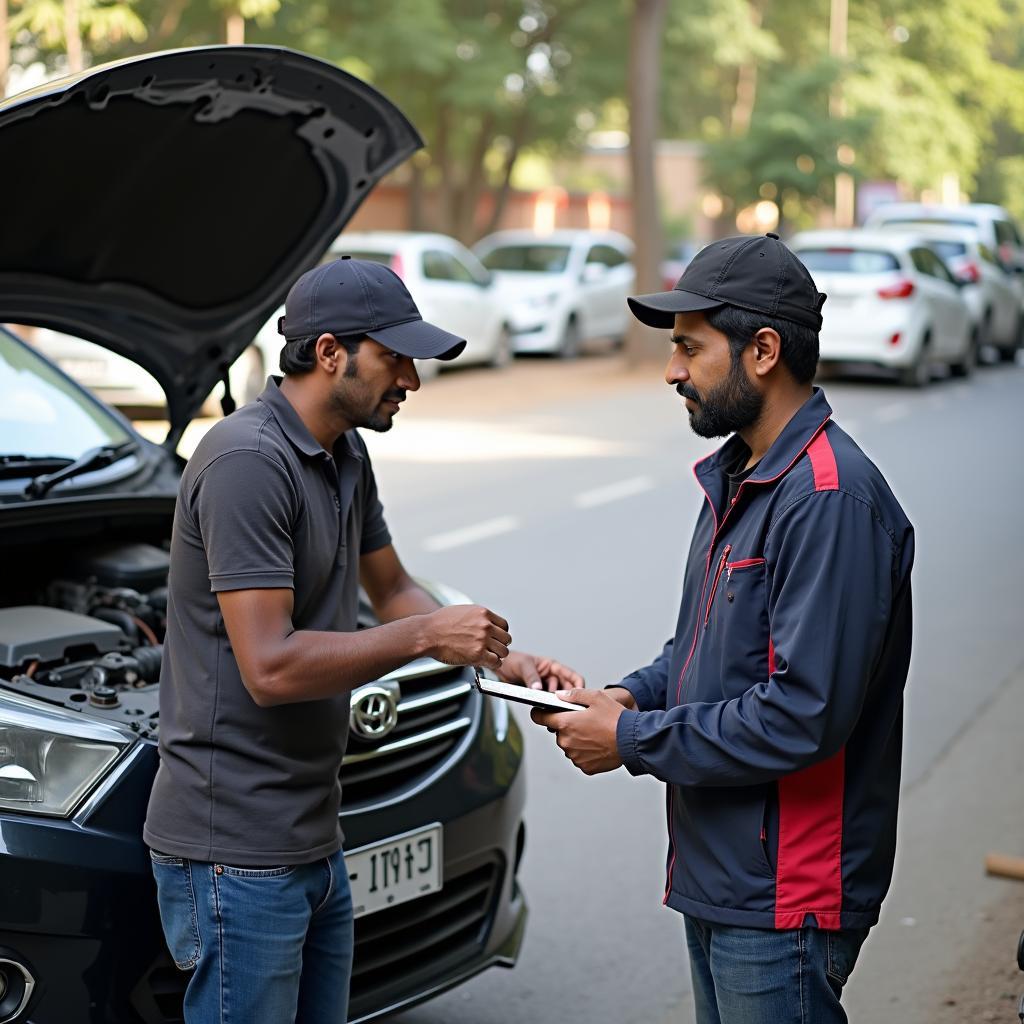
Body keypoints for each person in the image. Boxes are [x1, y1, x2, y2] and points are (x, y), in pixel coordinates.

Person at [143, 256, 582, 1024]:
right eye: (395, 356)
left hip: (313, 832)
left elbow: (394, 591)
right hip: (236, 850)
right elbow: (271, 669)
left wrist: (503, 661)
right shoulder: (248, 462)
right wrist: (423, 634)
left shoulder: (345, 449)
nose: (411, 378)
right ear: (329, 352)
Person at [533, 234, 914, 1024]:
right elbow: (705, 652)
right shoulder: (743, 475)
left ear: (763, 350)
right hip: (721, 875)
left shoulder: (829, 500)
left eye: (689, 349)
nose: (673, 371)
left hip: (786, 897)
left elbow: (801, 714)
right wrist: (621, 698)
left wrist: (632, 742)